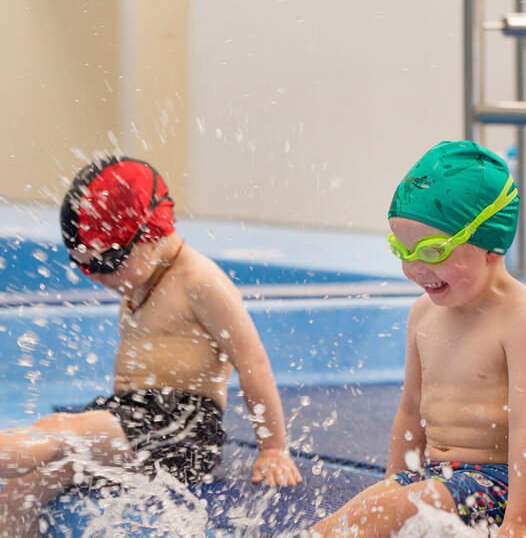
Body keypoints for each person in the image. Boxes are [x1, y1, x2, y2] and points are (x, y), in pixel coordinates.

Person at [0, 157, 301, 536]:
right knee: (18, 490)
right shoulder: (140, 275)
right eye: (82, 265)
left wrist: (273, 448)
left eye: (105, 262)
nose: (94, 276)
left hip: (181, 427)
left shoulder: (201, 281)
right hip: (133, 419)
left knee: (55, 432)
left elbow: (253, 362)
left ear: (148, 233)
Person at [311, 141, 526, 538]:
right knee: (330, 530)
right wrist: (393, 485)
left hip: (495, 488)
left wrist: (519, 523)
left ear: (490, 244)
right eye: (402, 250)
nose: (413, 268)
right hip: (433, 479)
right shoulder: (423, 315)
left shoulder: (524, 318)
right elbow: (411, 413)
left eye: (431, 251)